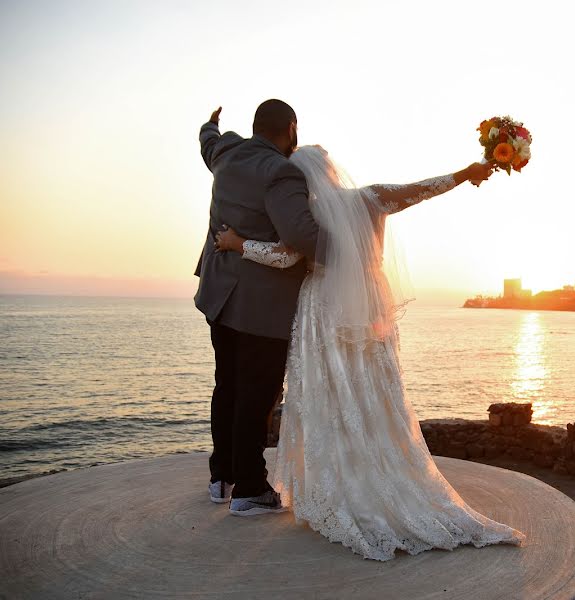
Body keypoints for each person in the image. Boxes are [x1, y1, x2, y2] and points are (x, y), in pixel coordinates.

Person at [213, 144, 525, 560]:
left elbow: (284, 257)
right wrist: (465, 173)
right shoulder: (370, 198)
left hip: (322, 312)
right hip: (368, 309)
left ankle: (340, 484)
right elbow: (421, 190)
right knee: (376, 393)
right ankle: (382, 472)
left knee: (329, 398)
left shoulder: (305, 215)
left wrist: (238, 243)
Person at [195, 100, 319, 515]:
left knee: (226, 386)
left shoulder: (226, 150)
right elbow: (302, 234)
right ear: (291, 128)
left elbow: (207, 143)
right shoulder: (281, 171)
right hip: (260, 307)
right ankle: (249, 488)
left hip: (218, 296)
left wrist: (210, 124)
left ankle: (221, 477)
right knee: (257, 395)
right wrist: (352, 245)